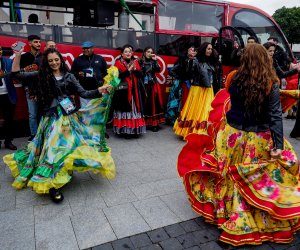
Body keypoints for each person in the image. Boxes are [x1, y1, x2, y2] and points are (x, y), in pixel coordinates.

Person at [177, 44, 300, 246]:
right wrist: (278, 144)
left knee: (229, 176)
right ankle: (247, 213)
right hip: (258, 138)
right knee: (253, 177)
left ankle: (228, 213)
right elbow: (275, 116)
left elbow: (229, 99)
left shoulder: (234, 76)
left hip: (231, 135)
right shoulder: (271, 82)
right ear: (265, 60)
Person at [3, 47, 116, 202]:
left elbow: (83, 93)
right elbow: (17, 75)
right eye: (50, 61)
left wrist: (100, 90)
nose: (54, 63)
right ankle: (51, 185)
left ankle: (62, 172)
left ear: (61, 60)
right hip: (50, 119)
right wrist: (17, 55)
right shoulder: (41, 75)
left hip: (67, 118)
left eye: (56, 60)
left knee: (68, 146)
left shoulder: (69, 76)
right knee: (51, 150)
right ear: (46, 63)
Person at [173, 42, 217, 139]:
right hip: (198, 89)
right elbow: (189, 73)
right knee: (195, 110)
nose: (210, 50)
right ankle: (193, 131)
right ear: (203, 49)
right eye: (208, 48)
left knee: (207, 109)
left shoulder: (211, 61)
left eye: (211, 49)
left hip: (208, 89)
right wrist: (190, 60)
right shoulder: (196, 60)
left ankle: (204, 131)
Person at [112, 44, 146, 137]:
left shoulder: (135, 62)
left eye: (129, 52)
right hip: (123, 91)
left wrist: (135, 70)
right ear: (122, 54)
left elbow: (141, 76)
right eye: (126, 52)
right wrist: (128, 70)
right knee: (124, 109)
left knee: (134, 109)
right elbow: (117, 77)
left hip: (134, 91)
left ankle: (134, 130)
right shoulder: (118, 63)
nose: (128, 53)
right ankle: (125, 131)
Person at [165, 45, 198, 125]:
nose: (192, 52)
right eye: (190, 49)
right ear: (187, 51)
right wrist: (179, 77)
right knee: (178, 101)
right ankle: (176, 119)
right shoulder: (183, 60)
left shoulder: (196, 61)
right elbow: (171, 71)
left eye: (194, 50)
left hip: (192, 84)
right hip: (182, 84)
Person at [71, 41, 108, 108]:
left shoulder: (100, 58)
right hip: (85, 92)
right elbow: (72, 73)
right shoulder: (77, 60)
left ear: (92, 49)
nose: (85, 50)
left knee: (98, 112)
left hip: (98, 91)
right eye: (84, 48)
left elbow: (106, 73)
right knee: (86, 113)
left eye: (87, 48)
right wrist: (78, 73)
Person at [20, 34, 42, 141]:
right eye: (36, 42)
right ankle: (34, 135)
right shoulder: (24, 57)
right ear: (30, 43)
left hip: (43, 89)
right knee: (32, 114)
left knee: (43, 112)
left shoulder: (43, 56)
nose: (38, 44)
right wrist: (25, 69)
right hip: (30, 88)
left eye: (39, 42)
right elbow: (17, 74)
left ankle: (43, 133)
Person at [139, 47, 165, 132]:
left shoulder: (153, 61)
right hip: (144, 85)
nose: (149, 53)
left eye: (151, 52)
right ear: (144, 52)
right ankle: (145, 122)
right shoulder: (140, 61)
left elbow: (158, 70)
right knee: (145, 104)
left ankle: (155, 124)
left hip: (153, 84)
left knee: (155, 104)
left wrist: (155, 60)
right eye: (148, 51)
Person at [0, 45, 17, 150]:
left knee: (9, 119)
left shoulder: (8, 62)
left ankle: (8, 141)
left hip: (8, 94)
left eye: (0, 49)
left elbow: (15, 75)